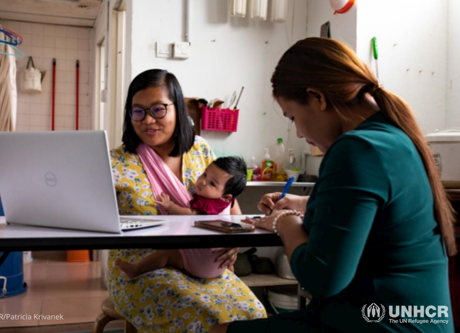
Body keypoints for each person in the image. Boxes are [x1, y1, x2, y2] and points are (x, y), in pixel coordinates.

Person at [211, 37, 456, 333]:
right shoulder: (394, 137)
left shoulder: (356, 148)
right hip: (407, 319)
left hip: (378, 323)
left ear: (317, 98)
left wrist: (283, 222)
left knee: (219, 330)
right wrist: (305, 204)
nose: (299, 133)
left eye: (293, 117)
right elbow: (376, 212)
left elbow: (321, 279)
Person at [108, 69, 267, 332]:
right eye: (138, 111)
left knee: (253, 315)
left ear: (177, 109)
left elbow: (230, 207)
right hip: (142, 267)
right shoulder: (116, 162)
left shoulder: (200, 150)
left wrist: (235, 243)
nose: (148, 120)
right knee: (197, 316)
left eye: (158, 109)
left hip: (206, 265)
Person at [114, 156, 247, 281]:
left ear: (226, 196)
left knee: (166, 254)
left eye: (212, 183)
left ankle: (137, 269)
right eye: (205, 174)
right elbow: (239, 221)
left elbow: (190, 215)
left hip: (201, 262)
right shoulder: (229, 202)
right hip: (221, 264)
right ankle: (230, 273)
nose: (203, 181)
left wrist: (169, 206)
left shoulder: (208, 204)